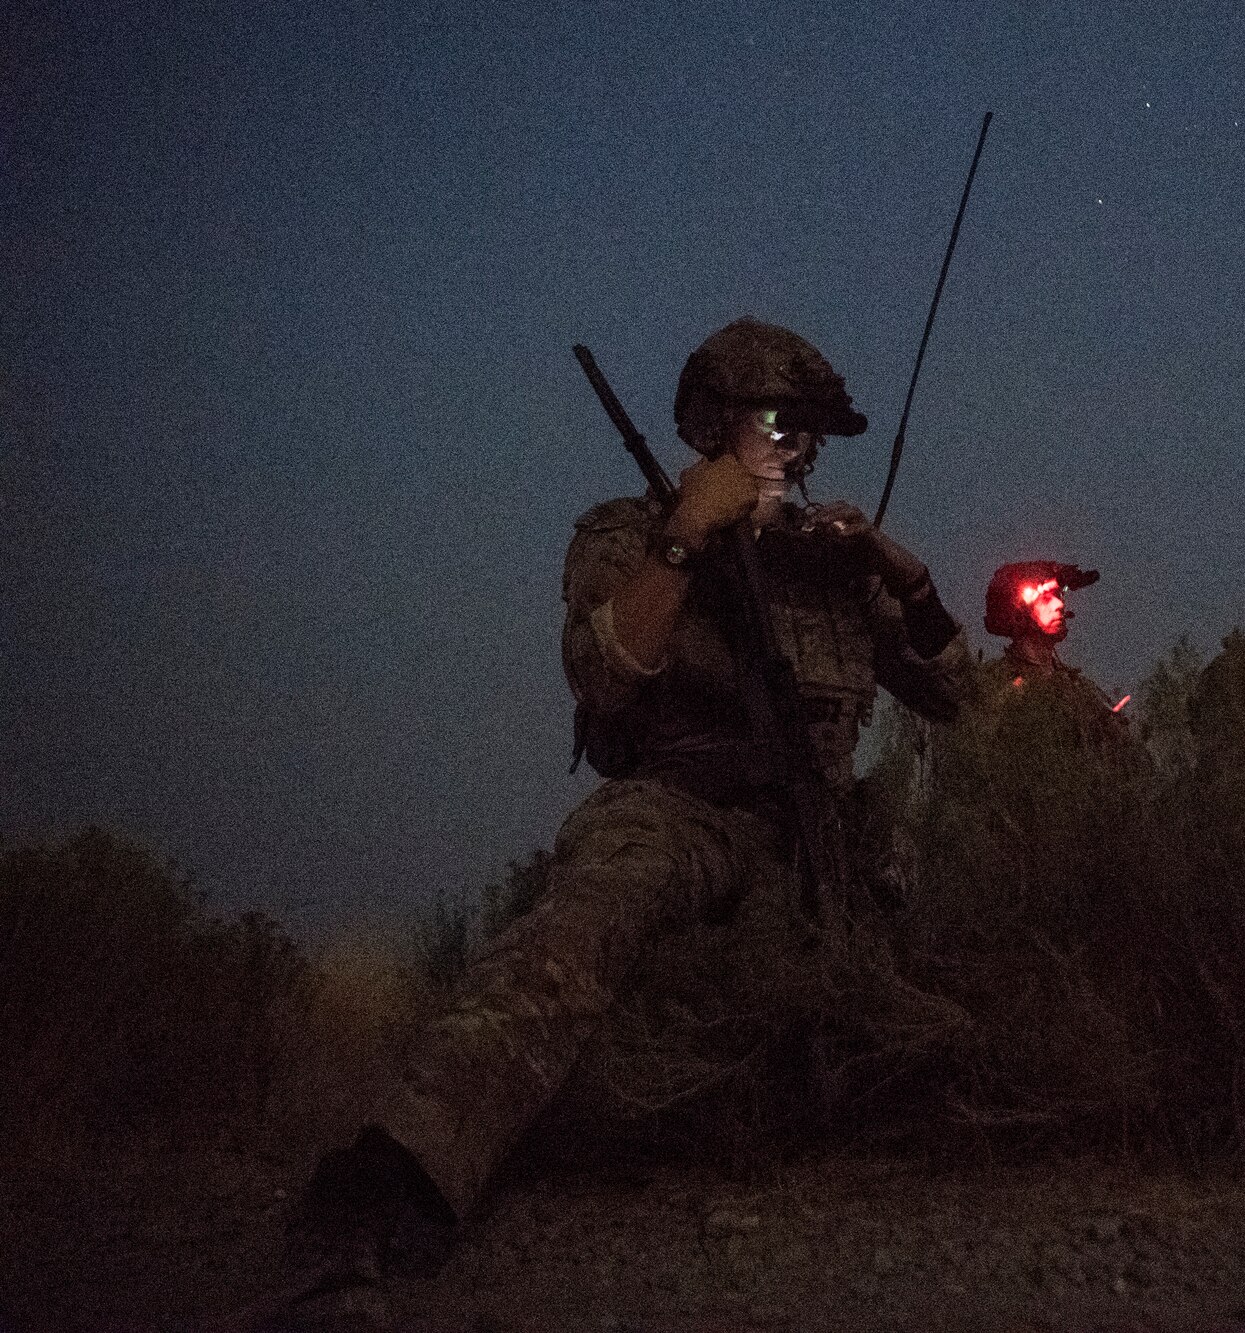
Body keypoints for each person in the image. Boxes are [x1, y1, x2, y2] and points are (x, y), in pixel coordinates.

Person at [282, 317, 974, 1287]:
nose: (797, 444)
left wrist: (910, 577)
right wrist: (687, 538)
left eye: (811, 427)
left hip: (818, 826)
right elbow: (604, 677)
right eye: (776, 419)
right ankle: (404, 1170)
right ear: (712, 424)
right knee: (593, 911)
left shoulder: (835, 565)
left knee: (932, 965)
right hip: (683, 808)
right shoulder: (630, 533)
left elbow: (959, 698)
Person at [982, 560, 1130, 739]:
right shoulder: (996, 685)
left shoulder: (1078, 688)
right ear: (1017, 612)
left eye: (1059, 595)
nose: (1058, 605)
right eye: (1045, 598)